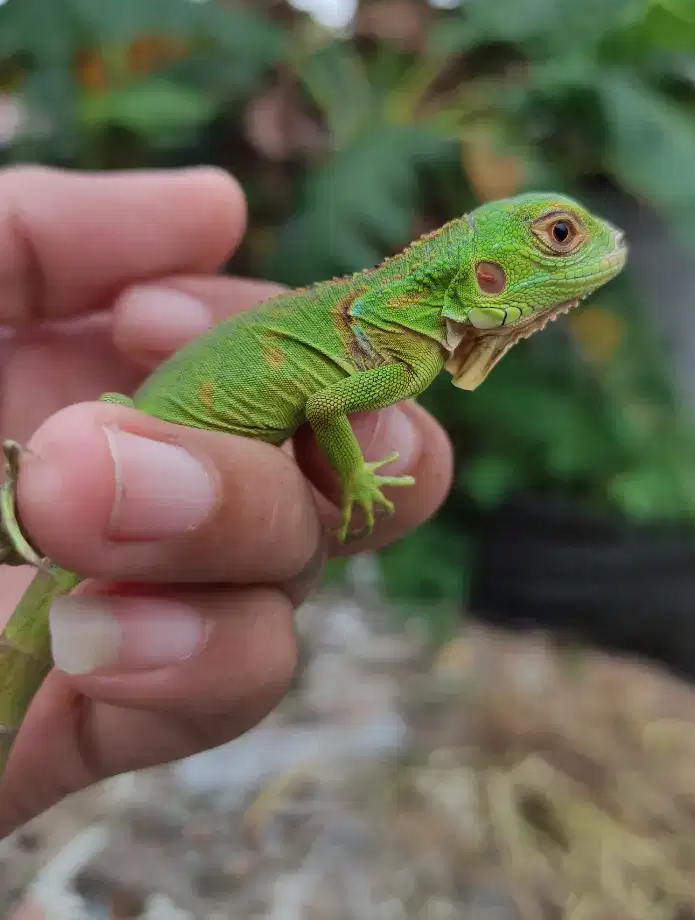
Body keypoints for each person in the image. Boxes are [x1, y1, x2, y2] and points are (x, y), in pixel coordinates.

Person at [0, 165, 453, 837]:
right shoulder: (408, 357)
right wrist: (356, 478)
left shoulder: (405, 341)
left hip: (127, 428)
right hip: (123, 447)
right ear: (487, 277)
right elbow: (329, 404)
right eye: (559, 238)